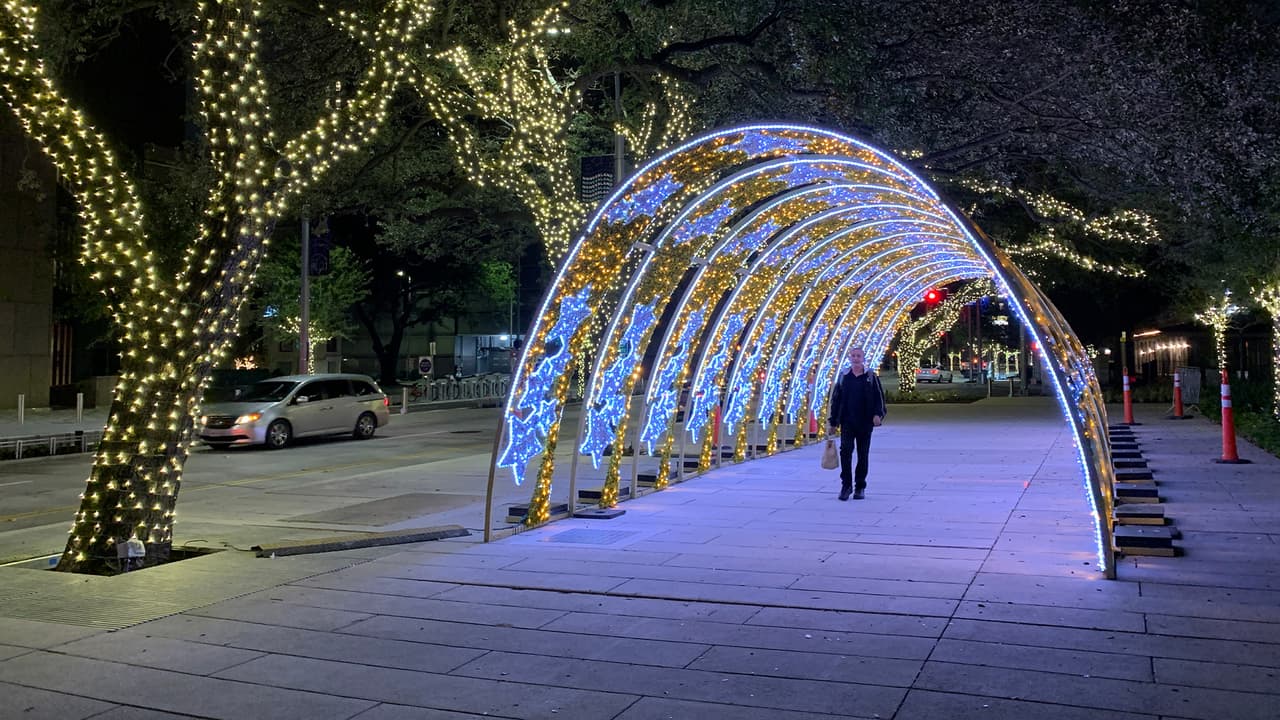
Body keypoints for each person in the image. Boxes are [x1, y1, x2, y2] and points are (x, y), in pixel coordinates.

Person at [827, 346, 887, 501]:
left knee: (862, 454)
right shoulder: (844, 376)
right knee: (845, 452)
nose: (855, 358)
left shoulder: (870, 377)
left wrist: (878, 414)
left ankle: (860, 486)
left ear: (863, 358)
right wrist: (833, 422)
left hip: (865, 422)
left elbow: (879, 398)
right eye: (853, 355)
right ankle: (846, 485)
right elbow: (836, 400)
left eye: (858, 356)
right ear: (850, 358)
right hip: (847, 422)